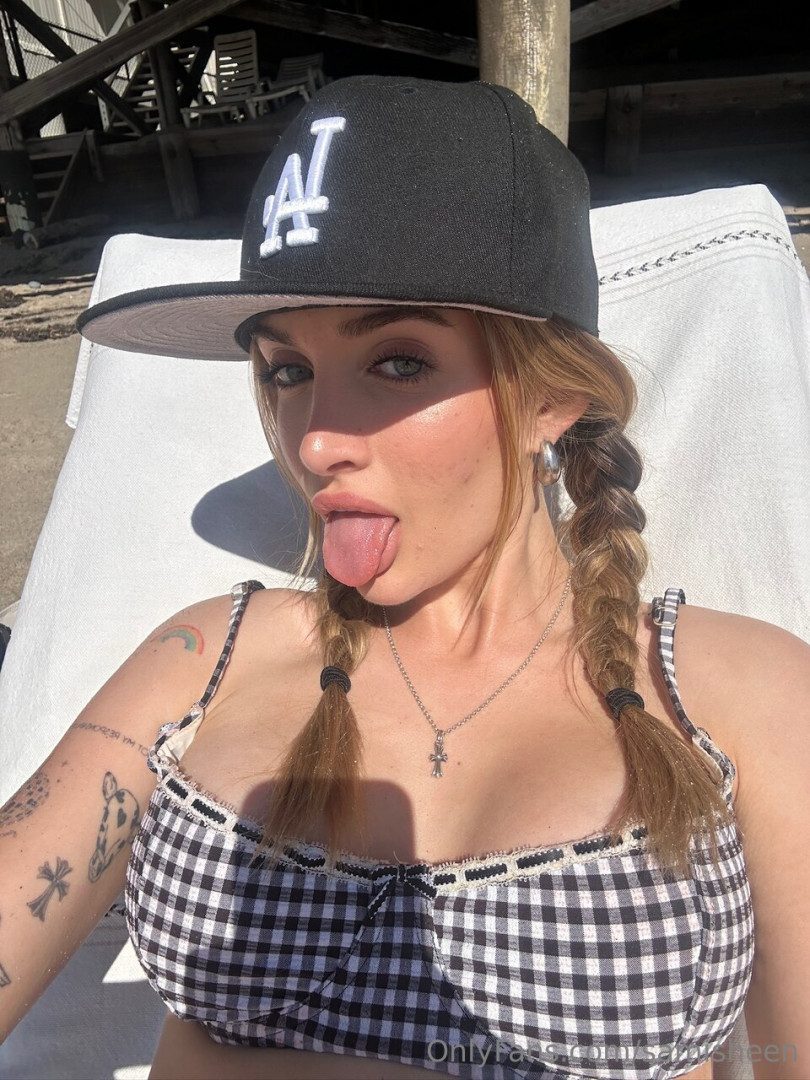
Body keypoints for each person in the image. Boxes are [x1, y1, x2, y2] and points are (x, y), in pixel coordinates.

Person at [2, 75, 808, 1080]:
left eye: (397, 363)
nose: (317, 442)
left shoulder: (739, 695)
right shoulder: (206, 656)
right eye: (288, 371)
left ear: (552, 396)